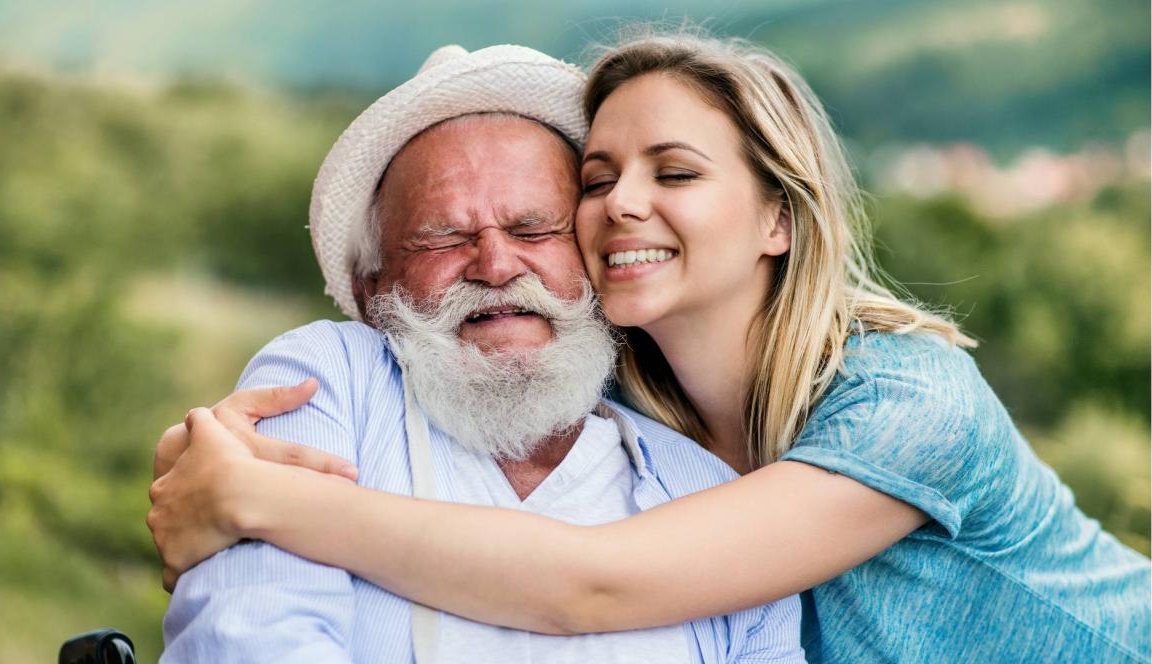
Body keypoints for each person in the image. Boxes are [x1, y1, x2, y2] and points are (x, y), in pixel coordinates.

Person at [150, 33, 1152, 662]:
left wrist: (261, 500)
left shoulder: (910, 402)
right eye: (596, 177)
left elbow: (592, 584)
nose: (623, 201)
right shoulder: (619, 402)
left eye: (675, 171)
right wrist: (197, 475)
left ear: (778, 220)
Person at [150, 43, 804, 663]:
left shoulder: (706, 493)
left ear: (596, 255)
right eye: (443, 238)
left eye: (534, 229)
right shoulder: (328, 381)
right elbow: (252, 636)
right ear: (370, 287)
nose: (495, 265)